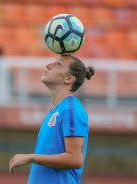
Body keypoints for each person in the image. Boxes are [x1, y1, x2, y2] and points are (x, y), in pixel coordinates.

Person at [9, 54, 95, 184]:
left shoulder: (71, 109)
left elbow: (75, 159)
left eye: (58, 64)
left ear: (69, 78)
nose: (48, 66)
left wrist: (31, 157)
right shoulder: (56, 111)